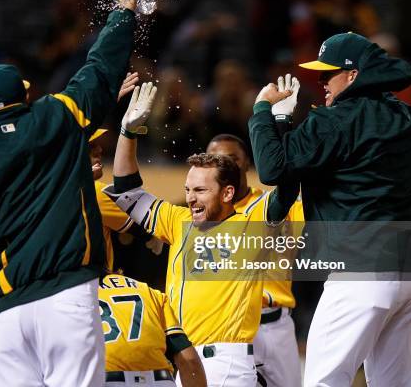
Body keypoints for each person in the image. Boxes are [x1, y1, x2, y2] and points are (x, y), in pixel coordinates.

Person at [0, 0, 141, 385]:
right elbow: (101, 66)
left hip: (6, 311)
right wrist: (123, 9)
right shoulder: (56, 115)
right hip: (66, 297)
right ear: (21, 97)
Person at [249, 33, 411, 386]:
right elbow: (305, 165)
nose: (320, 82)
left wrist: (262, 113)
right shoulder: (405, 116)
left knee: (322, 382)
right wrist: (288, 130)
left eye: (328, 73)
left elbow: (272, 169)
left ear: (353, 75)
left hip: (360, 272)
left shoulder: (333, 121)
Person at [104, 83, 298, 387]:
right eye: (188, 190)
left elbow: (287, 186)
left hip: (228, 361)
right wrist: (128, 133)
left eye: (201, 190)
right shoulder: (178, 220)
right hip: (186, 361)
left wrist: (271, 118)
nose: (191, 198)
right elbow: (127, 189)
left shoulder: (253, 223)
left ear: (227, 192)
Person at [207, 133, 303, 387]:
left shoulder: (277, 205)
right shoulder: (197, 215)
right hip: (224, 328)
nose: (224, 164)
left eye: (232, 158)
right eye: (215, 159)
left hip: (272, 324)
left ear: (247, 163)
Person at [99, 273, 206, 387]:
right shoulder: (149, 292)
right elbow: (189, 360)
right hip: (159, 381)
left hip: (108, 380)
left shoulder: (82, 293)